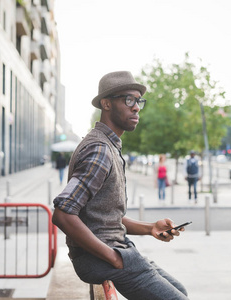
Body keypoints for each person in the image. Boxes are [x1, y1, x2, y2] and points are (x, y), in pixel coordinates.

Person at [52, 71, 189, 300]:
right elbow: (63, 213)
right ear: (106, 104)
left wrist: (150, 228)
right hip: (101, 258)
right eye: (128, 100)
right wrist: (114, 258)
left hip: (114, 250)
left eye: (138, 101)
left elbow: (100, 214)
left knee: (179, 291)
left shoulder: (108, 145)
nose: (136, 107)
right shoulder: (99, 149)